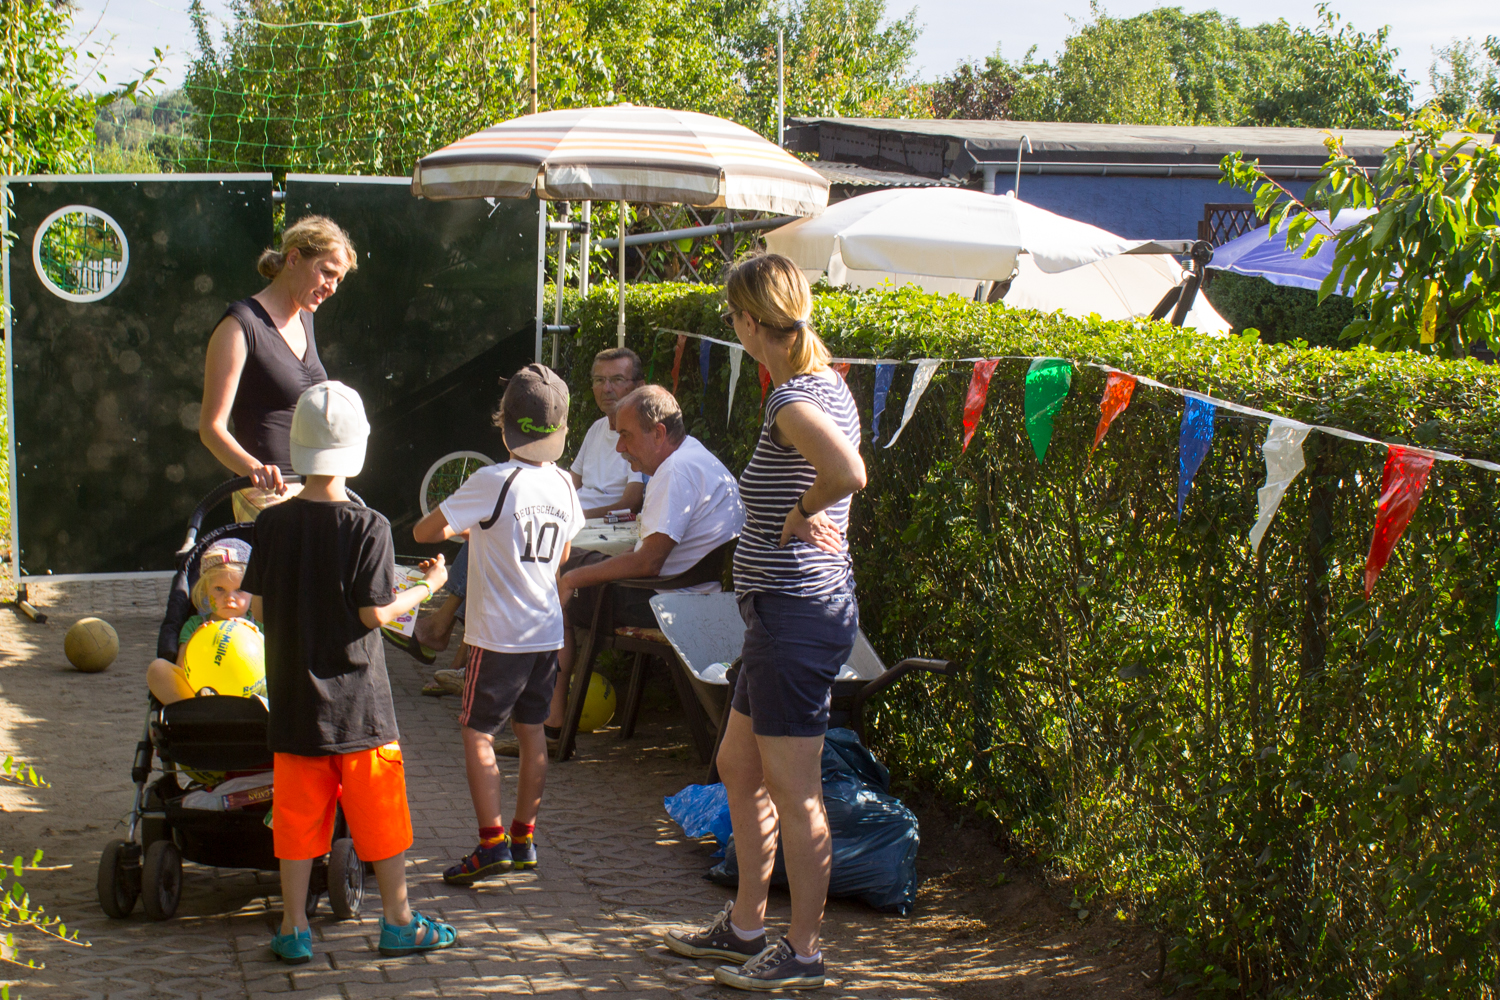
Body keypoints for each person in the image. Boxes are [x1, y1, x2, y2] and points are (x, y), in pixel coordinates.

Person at [663, 254, 866, 991]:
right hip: (781, 614)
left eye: (732, 316)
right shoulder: (823, 383)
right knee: (739, 767)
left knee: (795, 792)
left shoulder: (792, 399)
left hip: (795, 614)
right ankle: (745, 926)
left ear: (751, 321)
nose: (732, 327)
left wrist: (803, 509)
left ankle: (804, 951)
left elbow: (847, 472)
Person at [242, 380, 456, 965]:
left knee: (295, 823)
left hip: (293, 703)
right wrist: (429, 586)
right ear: (359, 447)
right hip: (361, 707)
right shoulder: (371, 526)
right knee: (380, 816)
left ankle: (293, 928)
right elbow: (375, 614)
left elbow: (257, 607)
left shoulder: (271, 524)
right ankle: (399, 923)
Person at [411, 364, 583, 884]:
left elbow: (424, 532)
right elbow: (562, 553)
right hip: (545, 634)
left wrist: (474, 528)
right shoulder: (564, 482)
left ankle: (491, 844)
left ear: (503, 424)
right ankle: (524, 838)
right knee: (532, 733)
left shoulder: (493, 480)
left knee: (477, 733)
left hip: (497, 636)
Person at [394, 347, 647, 688]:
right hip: (563, 530)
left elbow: (631, 500)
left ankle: (450, 642)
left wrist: (561, 512)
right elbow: (572, 482)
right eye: (600, 380)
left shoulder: (637, 433)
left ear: (638, 385)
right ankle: (458, 660)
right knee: (489, 531)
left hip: (584, 527)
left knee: (489, 535)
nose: (607, 388)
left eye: (616, 379)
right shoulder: (592, 435)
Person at [552, 385, 743, 752]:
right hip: (688, 593)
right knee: (571, 564)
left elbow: (648, 563)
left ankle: (551, 723)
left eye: (625, 435)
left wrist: (571, 579)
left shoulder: (675, 472)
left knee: (553, 578)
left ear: (658, 433)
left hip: (663, 602)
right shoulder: (696, 456)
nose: (620, 448)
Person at [199, 216, 356, 523]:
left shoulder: (306, 317)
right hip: (263, 491)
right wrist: (253, 468)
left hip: (313, 488)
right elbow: (211, 428)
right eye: (327, 272)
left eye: (339, 280)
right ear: (293, 259)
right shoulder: (240, 325)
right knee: (299, 539)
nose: (332, 287)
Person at [147, 539, 258, 704]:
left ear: (253, 591)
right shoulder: (194, 625)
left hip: (251, 695)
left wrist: (258, 636)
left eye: (239, 590)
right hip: (201, 693)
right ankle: (195, 709)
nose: (229, 598)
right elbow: (181, 668)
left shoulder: (259, 624)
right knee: (158, 669)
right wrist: (194, 641)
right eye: (219, 589)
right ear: (206, 590)